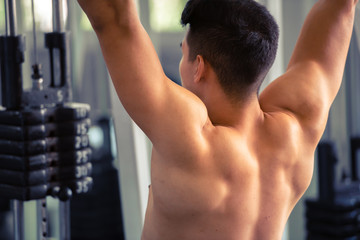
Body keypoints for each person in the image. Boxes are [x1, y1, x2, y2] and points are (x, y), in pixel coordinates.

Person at [77, 0, 358, 239]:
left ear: (199, 67)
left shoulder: (191, 142)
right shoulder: (296, 129)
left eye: (183, 53)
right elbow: (341, 7)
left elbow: (114, 17)